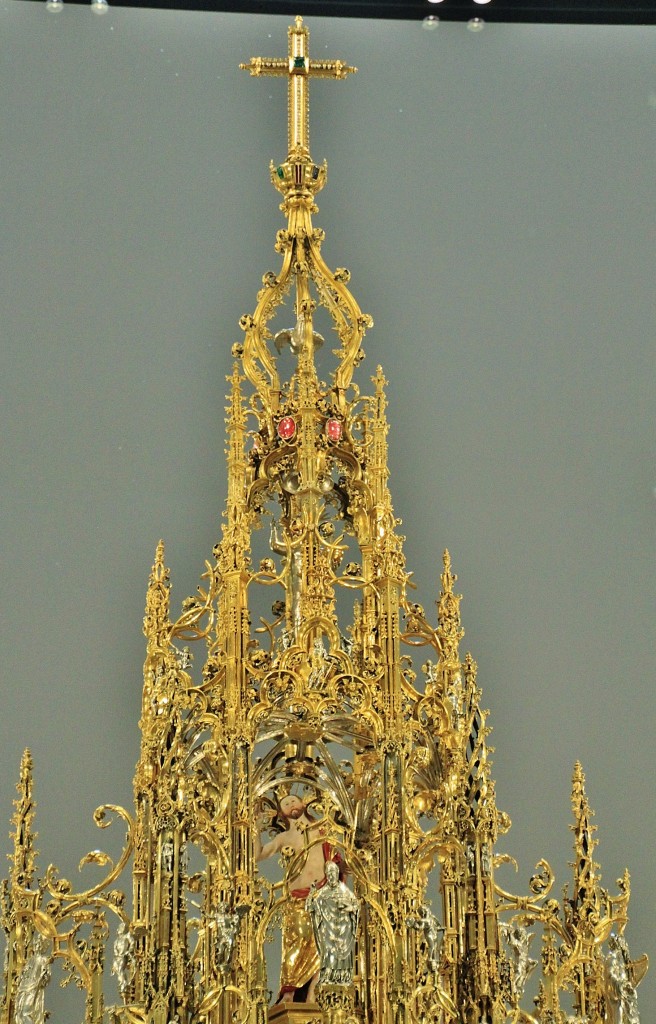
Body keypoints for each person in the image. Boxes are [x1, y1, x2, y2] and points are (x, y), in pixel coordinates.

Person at [255, 791, 341, 1003]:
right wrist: (255, 829)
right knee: (296, 942)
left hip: (323, 895)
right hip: (297, 899)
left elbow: (340, 853)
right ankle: (289, 994)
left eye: (293, 799)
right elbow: (258, 855)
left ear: (303, 803)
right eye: (285, 803)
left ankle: (313, 992)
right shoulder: (284, 837)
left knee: (325, 944)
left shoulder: (322, 828)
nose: (291, 803)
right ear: (281, 813)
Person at [307, 861, 359, 995]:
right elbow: (311, 908)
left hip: (343, 931)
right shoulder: (322, 893)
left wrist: (347, 907)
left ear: (337, 874)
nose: (331, 876)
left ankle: (342, 977)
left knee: (343, 956)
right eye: (328, 874)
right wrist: (311, 893)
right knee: (328, 954)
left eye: (333, 873)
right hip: (328, 931)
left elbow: (355, 906)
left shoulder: (344, 891)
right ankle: (329, 976)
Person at [15, 934, 51, 1024]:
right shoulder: (30, 959)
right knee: (18, 1014)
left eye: (40, 943)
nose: (38, 944)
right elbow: (24, 973)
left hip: (33, 989)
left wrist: (43, 977)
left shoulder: (44, 960)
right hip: (23, 988)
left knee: (26, 1013)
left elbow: (46, 978)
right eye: (37, 942)